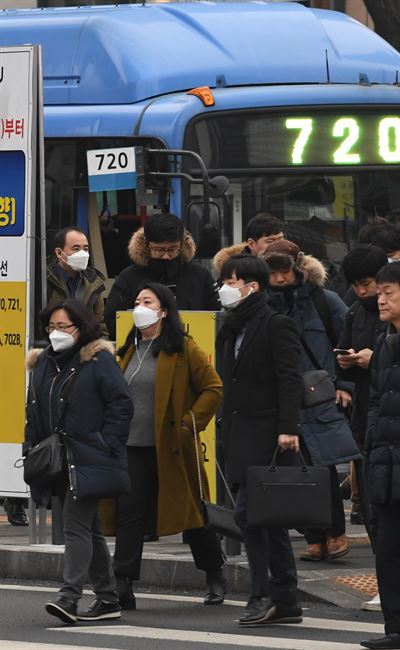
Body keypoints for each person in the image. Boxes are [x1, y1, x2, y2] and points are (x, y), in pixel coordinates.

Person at [113, 282, 225, 609]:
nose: (139, 306)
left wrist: (190, 422)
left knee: (191, 513)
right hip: (133, 446)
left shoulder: (183, 348)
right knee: (129, 516)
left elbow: (213, 389)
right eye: (137, 300)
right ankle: (123, 583)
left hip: (172, 446)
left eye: (147, 300)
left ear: (163, 310)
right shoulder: (129, 348)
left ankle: (214, 573)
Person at [25, 299, 133, 624]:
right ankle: (108, 598)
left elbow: (121, 404)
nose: (56, 333)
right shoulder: (45, 361)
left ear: (80, 328)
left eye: (64, 327)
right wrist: (33, 445)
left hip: (90, 457)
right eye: (51, 327)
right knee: (90, 529)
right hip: (60, 459)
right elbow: (35, 409)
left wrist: (108, 443)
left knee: (75, 526)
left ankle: (69, 597)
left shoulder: (97, 360)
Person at [217, 254, 304, 627]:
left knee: (250, 515)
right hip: (238, 435)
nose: (225, 289)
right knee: (267, 519)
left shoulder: (274, 324)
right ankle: (285, 597)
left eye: (232, 282)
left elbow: (290, 379)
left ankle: (263, 594)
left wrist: (289, 428)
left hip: (269, 436)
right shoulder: (231, 326)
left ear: (252, 287)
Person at [262, 240, 361, 562]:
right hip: (280, 395)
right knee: (294, 467)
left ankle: (334, 532)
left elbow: (348, 341)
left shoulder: (323, 299)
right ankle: (313, 535)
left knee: (322, 466)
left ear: (298, 267)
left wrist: (344, 384)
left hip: (319, 394)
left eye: (284, 271)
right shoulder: (262, 303)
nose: (278, 279)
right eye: (272, 272)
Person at [360, 262, 400, 650]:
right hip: (386, 464)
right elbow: (374, 403)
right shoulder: (385, 343)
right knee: (387, 551)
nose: (381, 298)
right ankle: (396, 630)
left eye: (389, 293)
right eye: (380, 292)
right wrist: (372, 447)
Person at [104, 214, 219, 340]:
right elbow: (113, 320)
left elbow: (217, 317)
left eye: (172, 250)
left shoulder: (201, 276)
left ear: (181, 245)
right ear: (147, 245)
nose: (166, 256)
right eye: (159, 250)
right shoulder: (128, 277)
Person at [47, 227, 107, 336]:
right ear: (59, 253)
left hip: (84, 350)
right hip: (50, 348)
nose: (82, 254)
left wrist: (97, 350)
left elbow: (100, 328)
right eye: (76, 249)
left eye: (85, 249)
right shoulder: (44, 280)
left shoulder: (93, 283)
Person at [213, 212, 284, 273]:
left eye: (281, 240)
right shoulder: (235, 275)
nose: (279, 245)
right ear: (251, 244)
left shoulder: (292, 265)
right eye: (270, 241)